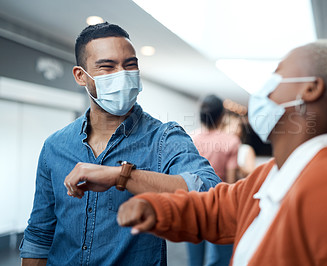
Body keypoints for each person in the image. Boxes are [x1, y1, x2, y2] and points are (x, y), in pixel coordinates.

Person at [115, 40, 327, 265]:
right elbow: (216, 208)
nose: (264, 88)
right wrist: (156, 208)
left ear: (311, 89)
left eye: (277, 74)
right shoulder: (273, 173)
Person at [19, 22, 220, 265]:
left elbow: (211, 194)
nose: (122, 74)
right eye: (107, 66)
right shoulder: (55, 146)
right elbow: (39, 235)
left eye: (130, 65)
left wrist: (121, 176)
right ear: (81, 76)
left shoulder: (164, 138)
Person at [187, 95, 240, 266]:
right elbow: (230, 182)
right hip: (220, 205)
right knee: (222, 259)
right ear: (221, 116)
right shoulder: (231, 141)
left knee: (195, 260)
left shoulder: (189, 139)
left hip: (194, 204)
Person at [221, 111, 256, 179]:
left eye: (238, 126)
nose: (235, 129)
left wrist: (237, 167)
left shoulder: (246, 149)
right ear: (223, 128)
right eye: (231, 125)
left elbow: (252, 174)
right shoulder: (218, 149)